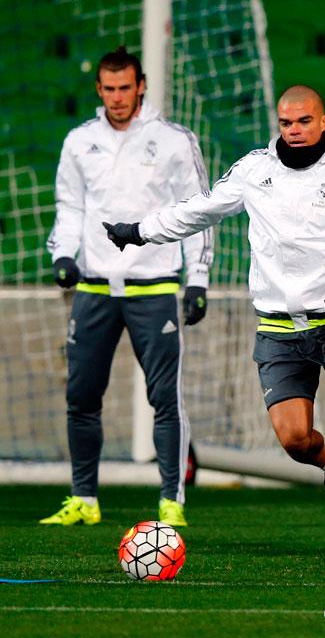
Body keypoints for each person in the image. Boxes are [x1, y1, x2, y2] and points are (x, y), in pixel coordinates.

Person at [104, 85, 325, 557]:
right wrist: (140, 231)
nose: (294, 130)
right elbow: (199, 209)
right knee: (294, 439)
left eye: (303, 121)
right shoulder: (254, 169)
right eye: (286, 123)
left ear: (324, 122)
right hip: (278, 327)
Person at [41, 47, 213, 528]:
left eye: (125, 88)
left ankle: (171, 502)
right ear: (99, 90)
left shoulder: (174, 140)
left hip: (153, 289)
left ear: (141, 87)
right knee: (81, 397)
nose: (117, 97)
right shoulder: (80, 141)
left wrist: (197, 278)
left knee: (165, 400)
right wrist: (62, 254)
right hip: (94, 289)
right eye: (109, 89)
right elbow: (70, 206)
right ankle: (84, 500)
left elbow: (197, 212)